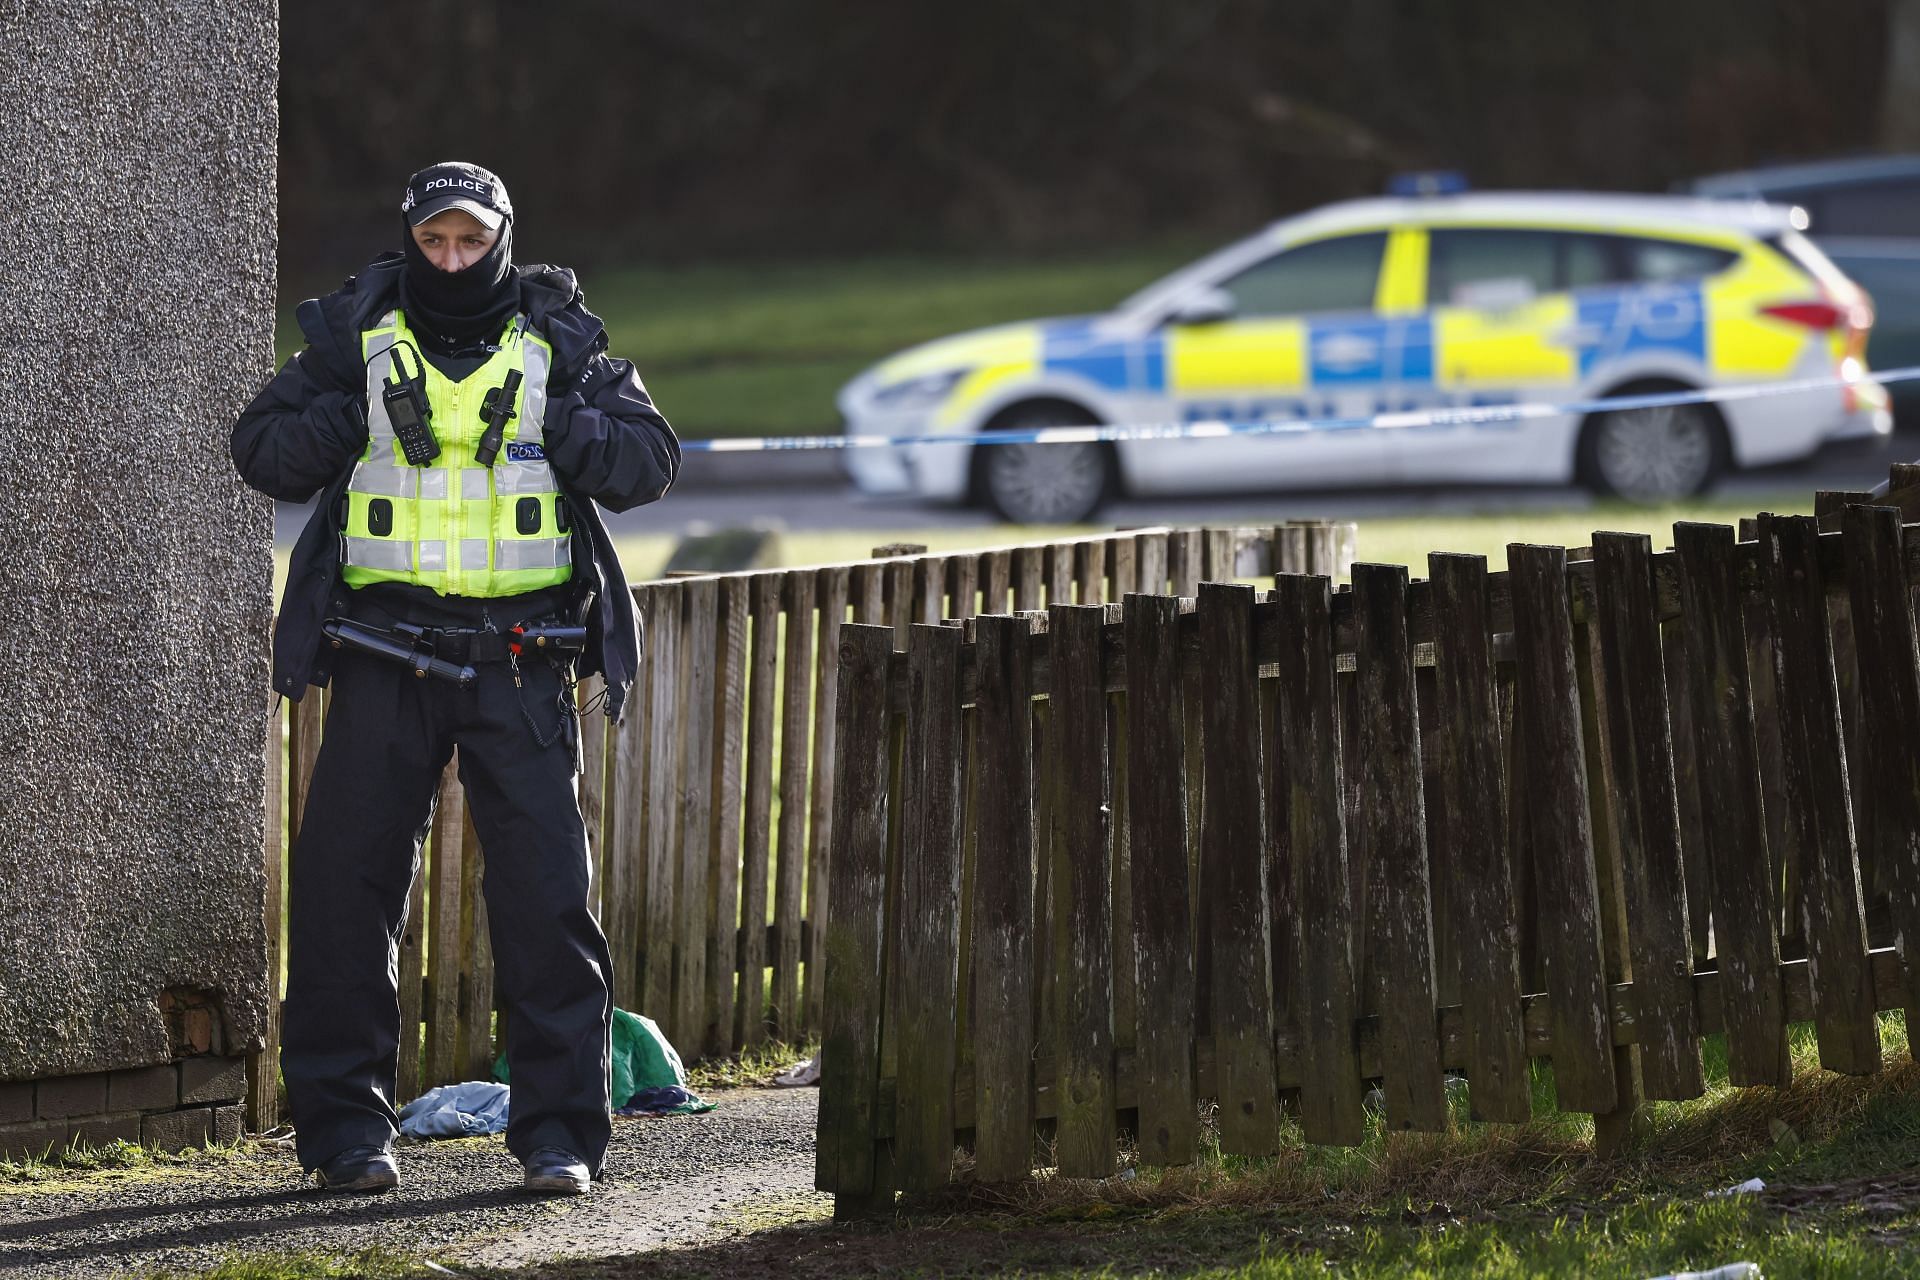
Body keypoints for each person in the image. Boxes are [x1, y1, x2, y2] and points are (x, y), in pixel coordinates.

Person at [231, 161, 679, 1195]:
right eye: (434, 241)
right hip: (383, 657)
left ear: (502, 240)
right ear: (412, 239)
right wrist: (344, 421)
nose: (451, 258)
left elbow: (650, 460)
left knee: (546, 903)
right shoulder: (356, 332)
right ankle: (347, 1136)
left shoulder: (559, 337)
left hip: (521, 662)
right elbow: (261, 448)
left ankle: (559, 1137)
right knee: (345, 898)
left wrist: (567, 428)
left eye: (469, 240)